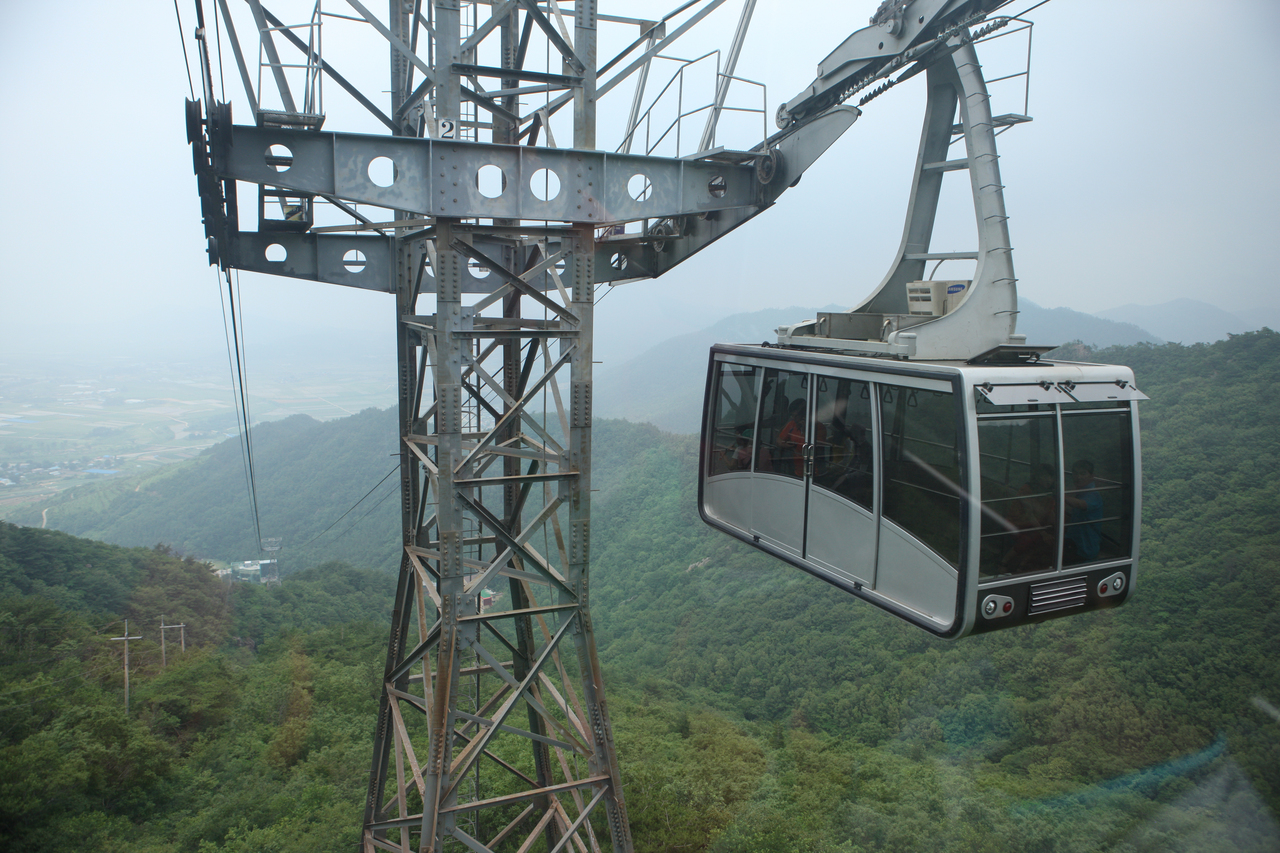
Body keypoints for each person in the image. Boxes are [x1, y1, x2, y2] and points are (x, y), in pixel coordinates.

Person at [1002, 464, 1057, 573]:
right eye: (1044, 476)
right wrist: (1043, 533)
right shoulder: (1026, 490)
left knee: (1050, 537)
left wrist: (1057, 527)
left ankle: (1023, 564)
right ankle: (1004, 562)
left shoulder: (1048, 493)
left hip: (1034, 523)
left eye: (1051, 477)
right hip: (1017, 522)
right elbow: (1029, 515)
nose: (1048, 480)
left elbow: (1049, 512)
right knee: (1032, 537)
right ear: (1037, 477)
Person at [1064, 459, 1104, 562]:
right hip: (1074, 541)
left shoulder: (1093, 495)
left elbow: (1081, 504)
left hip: (1085, 548)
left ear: (1092, 476)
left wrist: (1059, 495)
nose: (1078, 477)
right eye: (1075, 473)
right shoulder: (1081, 492)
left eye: (1083, 473)